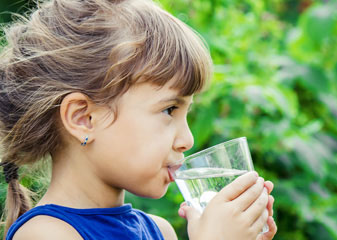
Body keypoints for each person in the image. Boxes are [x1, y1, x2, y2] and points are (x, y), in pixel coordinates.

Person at [0, 0, 277, 239]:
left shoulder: (161, 232)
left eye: (187, 112)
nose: (187, 140)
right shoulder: (45, 234)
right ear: (83, 118)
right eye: (170, 110)